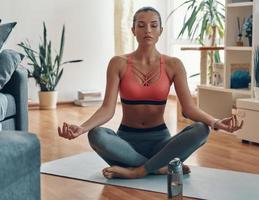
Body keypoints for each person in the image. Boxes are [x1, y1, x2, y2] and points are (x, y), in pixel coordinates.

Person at [58, 7, 243, 179]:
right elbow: (107, 109)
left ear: (160, 31)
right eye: (141, 25)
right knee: (96, 135)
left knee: (201, 130)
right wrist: (82, 128)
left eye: (153, 25)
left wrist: (216, 122)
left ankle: (137, 171)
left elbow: (189, 109)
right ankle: (161, 166)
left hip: (161, 142)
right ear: (133, 30)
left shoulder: (173, 65)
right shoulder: (118, 63)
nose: (148, 30)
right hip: (126, 144)